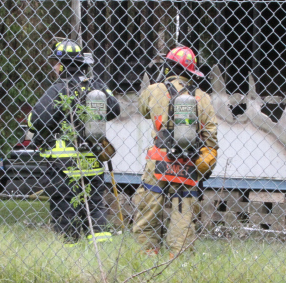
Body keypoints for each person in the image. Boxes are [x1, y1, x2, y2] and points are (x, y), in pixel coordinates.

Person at [29, 40, 120, 245]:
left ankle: (68, 251)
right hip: (93, 160)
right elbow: (115, 109)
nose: (54, 68)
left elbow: (37, 119)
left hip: (65, 165)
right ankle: (101, 250)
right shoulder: (95, 86)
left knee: (65, 208)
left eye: (55, 63)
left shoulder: (60, 89)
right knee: (95, 207)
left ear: (61, 65)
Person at [131, 46, 218, 258]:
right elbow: (211, 137)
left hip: (159, 159)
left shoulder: (153, 90)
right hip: (189, 160)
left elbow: (143, 111)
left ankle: (147, 253)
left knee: (149, 208)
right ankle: (179, 256)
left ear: (168, 67)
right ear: (192, 72)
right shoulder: (202, 97)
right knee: (183, 212)